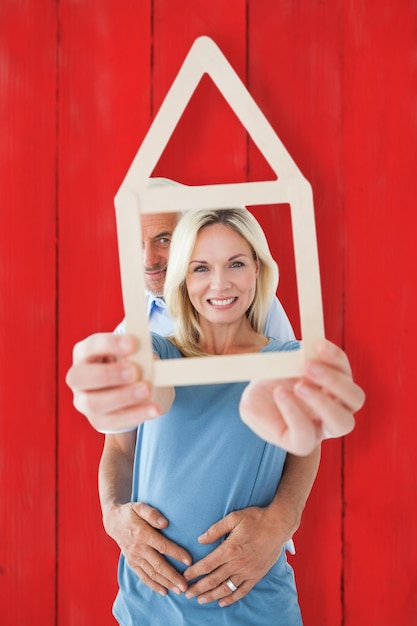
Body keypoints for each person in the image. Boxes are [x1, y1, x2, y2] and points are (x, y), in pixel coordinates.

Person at [67, 207, 364, 625]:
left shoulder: (289, 358)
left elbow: (305, 446)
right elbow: (121, 440)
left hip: (252, 606)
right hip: (148, 608)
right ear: (182, 280)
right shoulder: (157, 349)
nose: (220, 284)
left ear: (257, 270)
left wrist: (283, 518)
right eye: (201, 268)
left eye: (236, 264)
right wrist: (113, 515)